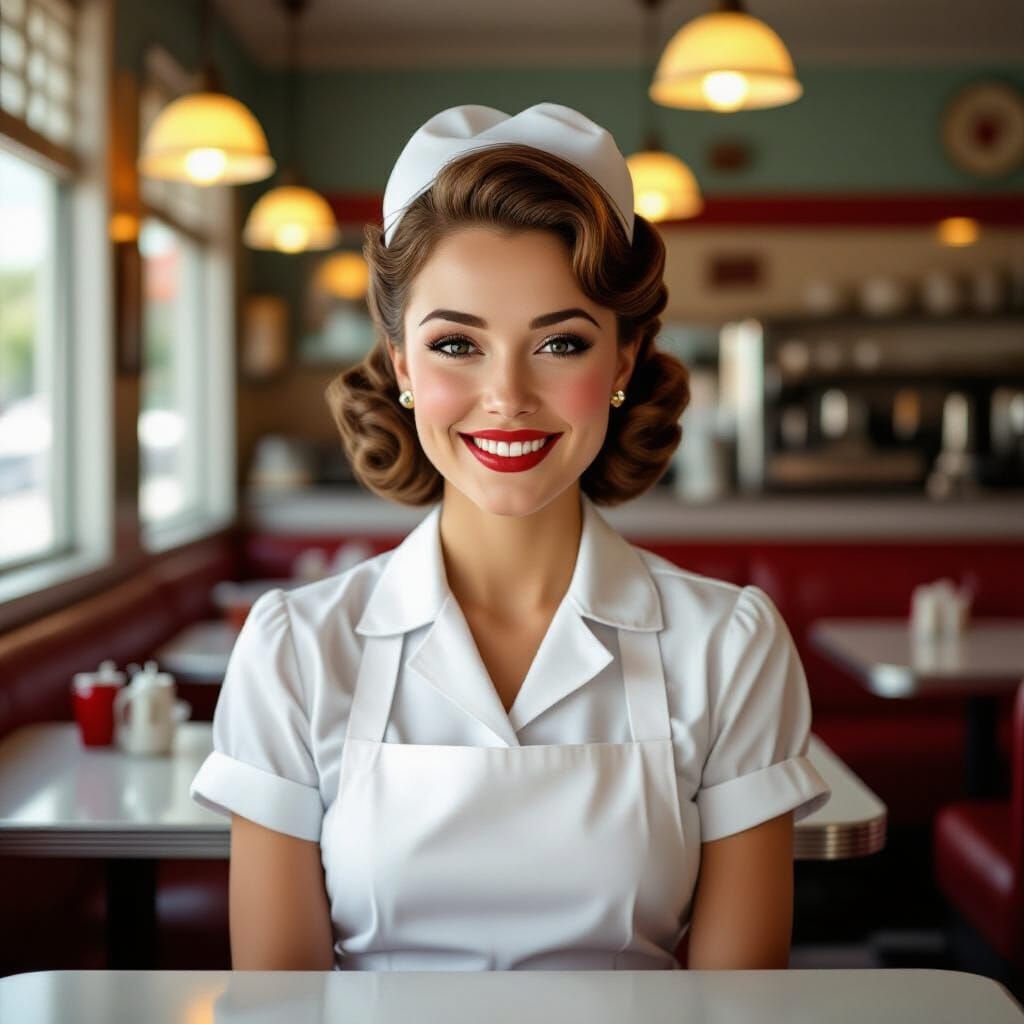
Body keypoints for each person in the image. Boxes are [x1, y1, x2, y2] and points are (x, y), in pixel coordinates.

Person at [190, 102, 831, 972]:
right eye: (457, 343)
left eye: (561, 342)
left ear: (625, 359)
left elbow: (735, 1007)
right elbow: (278, 1006)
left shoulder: (731, 647)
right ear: (402, 362)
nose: (507, 396)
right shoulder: (294, 652)